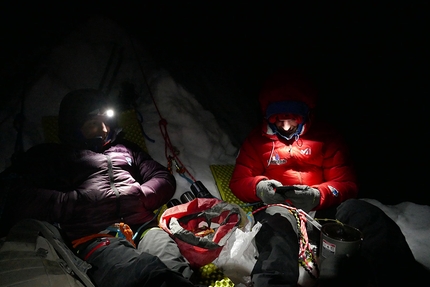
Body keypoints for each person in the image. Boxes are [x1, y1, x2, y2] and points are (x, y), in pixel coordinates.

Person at [229, 70, 427, 286]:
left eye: (292, 120)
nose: (285, 128)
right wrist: (260, 188)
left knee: (364, 213)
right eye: (278, 120)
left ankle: (400, 277)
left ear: (305, 115)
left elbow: (347, 184)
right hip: (281, 209)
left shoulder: (328, 138)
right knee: (275, 236)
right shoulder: (256, 142)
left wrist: (318, 195)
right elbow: (239, 181)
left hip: (321, 210)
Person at [0, 89, 195, 287]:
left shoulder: (127, 149)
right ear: (75, 127)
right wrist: (73, 203)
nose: (103, 129)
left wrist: (141, 195)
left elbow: (163, 178)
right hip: (95, 234)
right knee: (142, 273)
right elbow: (14, 195)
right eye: (93, 123)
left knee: (175, 269)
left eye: (106, 122)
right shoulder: (53, 156)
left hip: (143, 228)